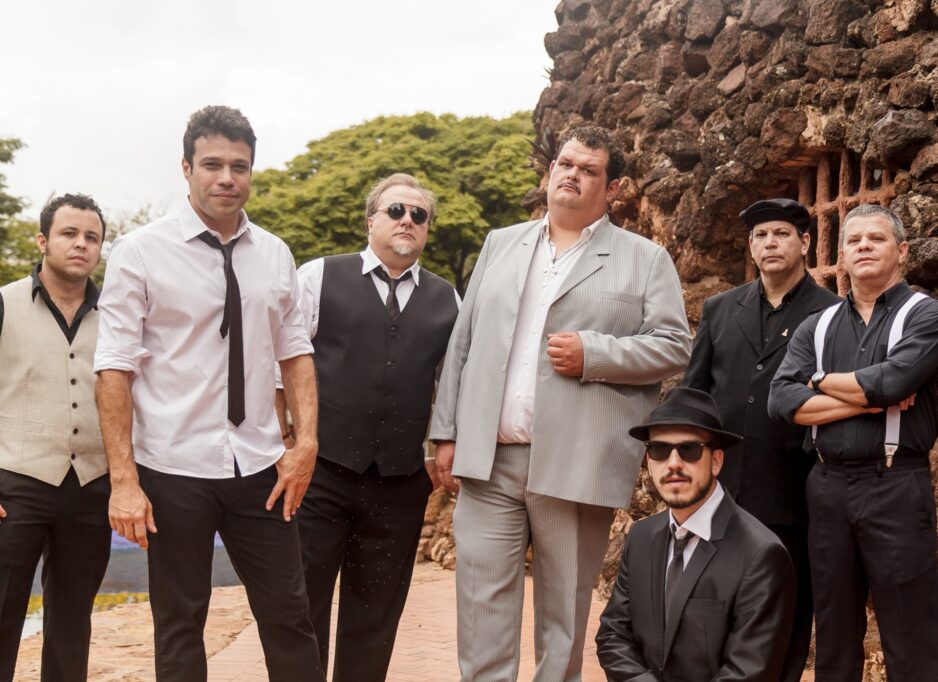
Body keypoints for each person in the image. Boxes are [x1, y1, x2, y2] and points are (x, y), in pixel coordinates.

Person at [430, 125, 691, 680]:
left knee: (563, 620)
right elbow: (464, 343)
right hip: (489, 459)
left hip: (577, 460)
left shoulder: (645, 259)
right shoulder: (501, 243)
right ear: (550, 172)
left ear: (612, 187)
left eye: (588, 169)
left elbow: (673, 345)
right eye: (564, 163)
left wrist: (594, 353)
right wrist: (446, 433)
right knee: (480, 610)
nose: (571, 174)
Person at [94, 105, 325, 682]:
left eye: (239, 166)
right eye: (213, 164)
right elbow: (114, 368)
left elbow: (295, 354)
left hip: (259, 467)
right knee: (179, 623)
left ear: (251, 172)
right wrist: (124, 480)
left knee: (290, 616)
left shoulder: (275, 254)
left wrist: (307, 443)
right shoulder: (140, 252)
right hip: (172, 467)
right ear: (187, 168)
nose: (227, 177)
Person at [277, 173, 459, 681]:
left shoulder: (449, 300)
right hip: (321, 474)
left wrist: (438, 447)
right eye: (396, 211)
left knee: (375, 615)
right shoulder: (319, 276)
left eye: (419, 215)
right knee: (302, 607)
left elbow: (452, 385)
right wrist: (285, 441)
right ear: (370, 220)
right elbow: (280, 365)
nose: (408, 221)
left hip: (399, 482)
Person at [769, 204, 938, 681]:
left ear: (902, 250)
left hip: (895, 484)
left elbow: (894, 381)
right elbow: (782, 400)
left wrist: (819, 382)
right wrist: (866, 398)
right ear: (843, 256)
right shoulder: (819, 324)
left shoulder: (927, 316)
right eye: (854, 241)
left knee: (912, 633)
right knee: (833, 630)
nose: (864, 247)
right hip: (826, 485)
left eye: (877, 238)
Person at [682, 197, 840, 680]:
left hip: (794, 488)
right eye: (761, 236)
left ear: (805, 242)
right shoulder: (720, 307)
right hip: (721, 488)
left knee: (785, 613)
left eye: (782, 234)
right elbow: (694, 393)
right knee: (711, 608)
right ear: (751, 247)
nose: (770, 243)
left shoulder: (832, 313)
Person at [0, 194, 111, 682]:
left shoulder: (116, 314)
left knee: (74, 623)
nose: (81, 245)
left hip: (94, 485)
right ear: (43, 240)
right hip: (14, 483)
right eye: (70, 234)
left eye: (91, 237)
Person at [596, 387, 796, 681]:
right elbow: (613, 635)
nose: (673, 463)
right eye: (660, 450)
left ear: (716, 461)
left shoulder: (761, 555)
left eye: (689, 450)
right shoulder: (641, 537)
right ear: (649, 462)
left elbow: (749, 672)